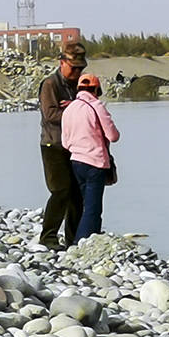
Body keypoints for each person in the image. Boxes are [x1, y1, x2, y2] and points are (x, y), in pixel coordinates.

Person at [37, 41, 86, 249]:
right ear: (62, 62)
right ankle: (48, 237)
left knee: (76, 194)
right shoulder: (50, 84)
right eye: (74, 68)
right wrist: (74, 110)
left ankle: (72, 238)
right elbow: (50, 115)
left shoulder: (78, 85)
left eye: (80, 68)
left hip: (74, 146)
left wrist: (74, 107)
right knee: (60, 191)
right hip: (53, 145)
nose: (77, 72)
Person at [60, 71, 120, 241]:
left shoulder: (69, 109)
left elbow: (65, 142)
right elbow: (113, 136)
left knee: (85, 205)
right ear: (96, 90)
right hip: (95, 163)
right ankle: (84, 243)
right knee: (93, 209)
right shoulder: (97, 106)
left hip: (75, 162)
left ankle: (81, 239)